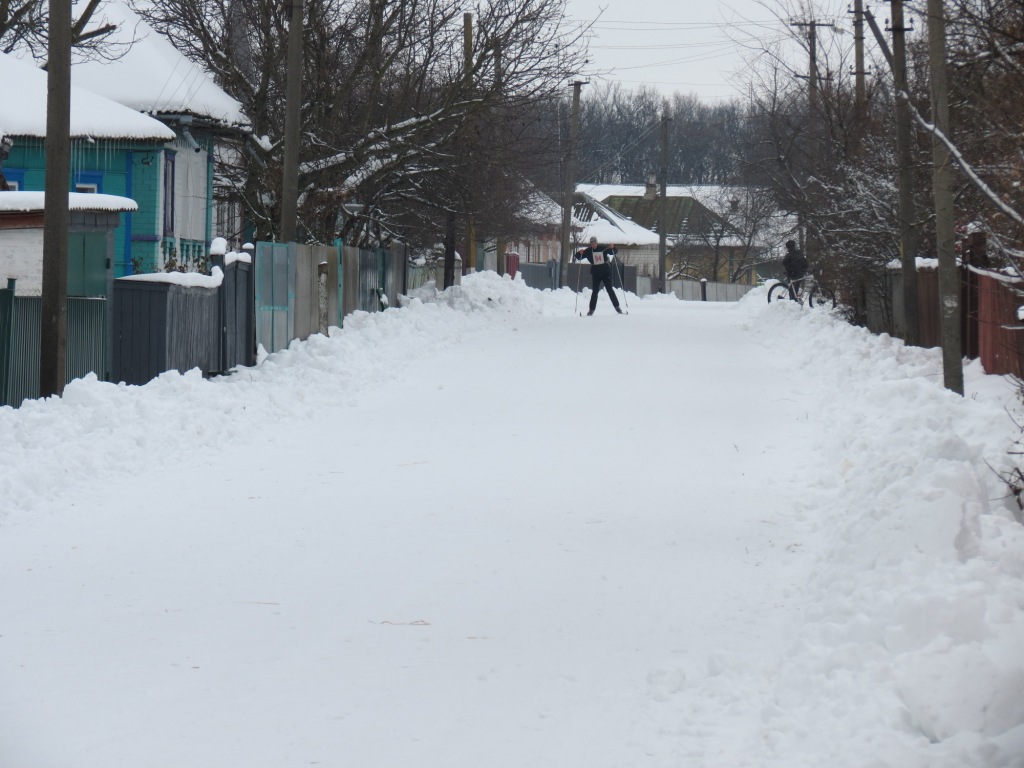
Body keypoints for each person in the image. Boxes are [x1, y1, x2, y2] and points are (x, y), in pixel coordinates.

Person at [574, 236, 623, 315]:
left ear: (597, 242)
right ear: (590, 244)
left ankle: (617, 307)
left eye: (594, 243)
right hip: (596, 273)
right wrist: (580, 253)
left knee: (609, 290)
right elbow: (578, 257)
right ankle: (591, 310)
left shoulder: (602, 248)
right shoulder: (588, 251)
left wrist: (613, 247)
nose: (593, 245)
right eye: (592, 243)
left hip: (605, 272)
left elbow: (613, 251)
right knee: (595, 291)